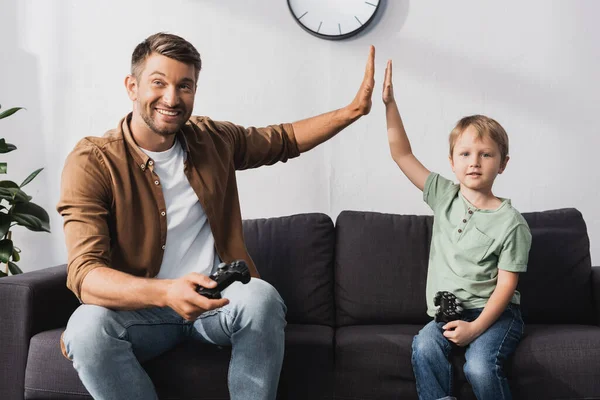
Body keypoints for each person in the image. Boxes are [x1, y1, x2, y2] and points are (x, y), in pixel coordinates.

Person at [56, 32, 375, 400]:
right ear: (132, 86)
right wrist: (166, 292)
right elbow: (86, 274)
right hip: (141, 313)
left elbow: (284, 139)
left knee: (262, 298)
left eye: (185, 85)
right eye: (158, 83)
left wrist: (352, 111)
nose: (172, 98)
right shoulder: (92, 162)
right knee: (85, 330)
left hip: (217, 305)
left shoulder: (212, 139)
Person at [382, 60, 531, 400]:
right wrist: (390, 106)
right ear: (452, 162)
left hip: (495, 315)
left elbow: (506, 287)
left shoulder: (512, 223)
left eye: (485, 154)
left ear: (503, 163)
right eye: (465, 153)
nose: (474, 162)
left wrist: (476, 328)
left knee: (478, 367)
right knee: (424, 347)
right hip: (448, 313)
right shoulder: (443, 196)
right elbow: (401, 154)